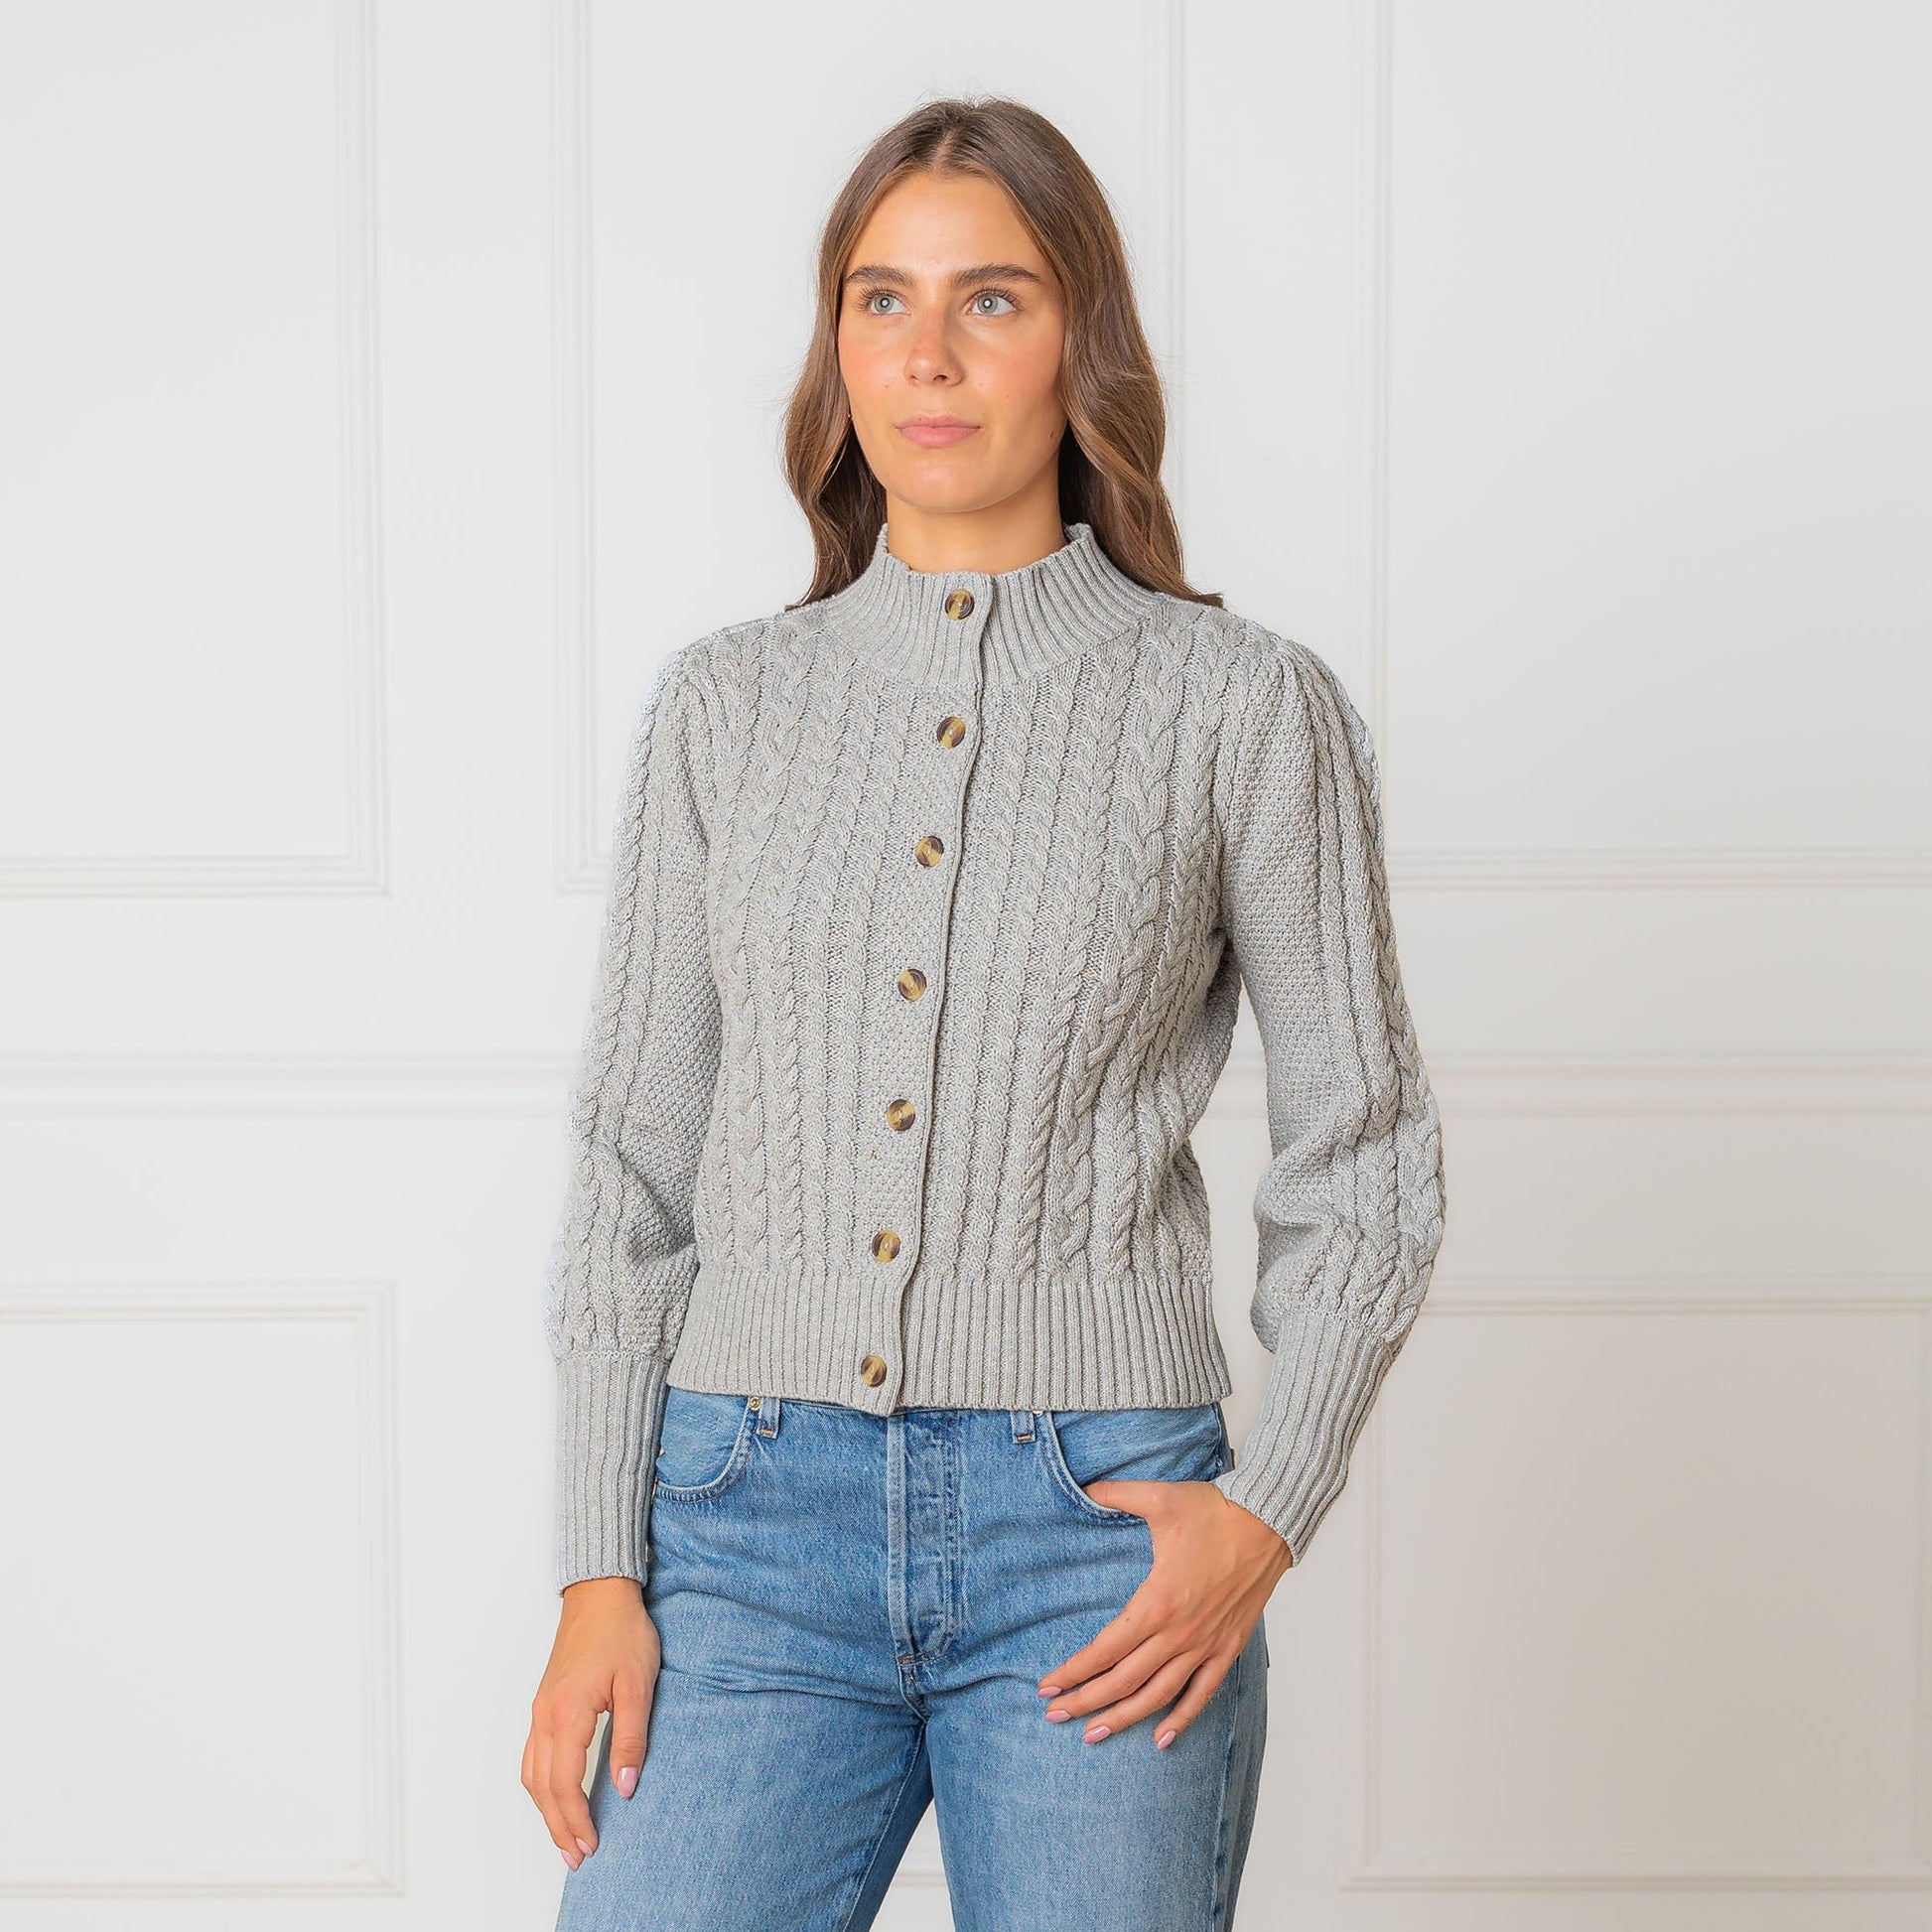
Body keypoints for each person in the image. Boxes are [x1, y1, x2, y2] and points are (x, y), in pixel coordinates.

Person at [522, 94, 1447, 1931]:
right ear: (836, 349)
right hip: (744, 1523)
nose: (925, 354)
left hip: (1094, 1537)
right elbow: (633, 1162)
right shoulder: (725, 707)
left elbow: (1367, 1155)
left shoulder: (1240, 706)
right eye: (879, 300)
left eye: (990, 300)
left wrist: (1268, 1505)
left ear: (1078, 343)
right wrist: (593, 1569)